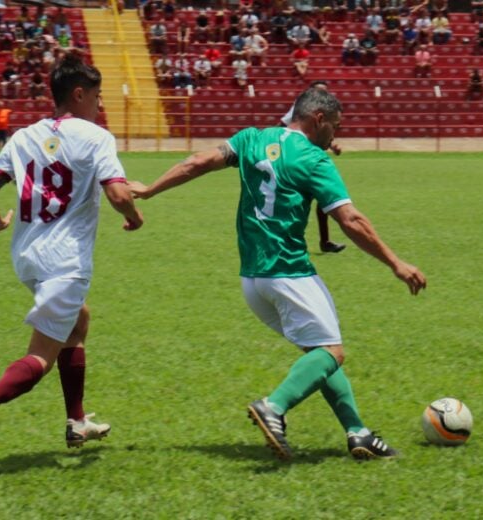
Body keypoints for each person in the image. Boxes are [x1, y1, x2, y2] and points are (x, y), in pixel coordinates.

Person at [128, 87, 426, 461]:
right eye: (334, 126)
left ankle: (358, 433)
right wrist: (397, 263)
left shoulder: (253, 138)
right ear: (318, 119)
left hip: (252, 280)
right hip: (288, 271)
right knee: (331, 352)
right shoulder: (314, 160)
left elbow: (197, 161)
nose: (335, 136)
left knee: (317, 352)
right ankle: (274, 406)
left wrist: (151, 189)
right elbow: (350, 219)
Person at [0, 51, 143, 459]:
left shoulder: (23, 136)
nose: (100, 105)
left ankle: (76, 422)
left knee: (80, 320)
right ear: (78, 94)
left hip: (26, 257)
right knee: (41, 354)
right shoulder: (97, 137)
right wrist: (134, 215)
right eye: (96, 96)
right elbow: (117, 193)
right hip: (65, 261)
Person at [279, 80, 345, 254]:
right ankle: (286, 242)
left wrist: (332, 145)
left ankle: (324, 241)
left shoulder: (325, 111)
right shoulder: (300, 108)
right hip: (298, 159)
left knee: (324, 199)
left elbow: (322, 131)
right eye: (320, 91)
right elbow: (284, 127)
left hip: (314, 157)